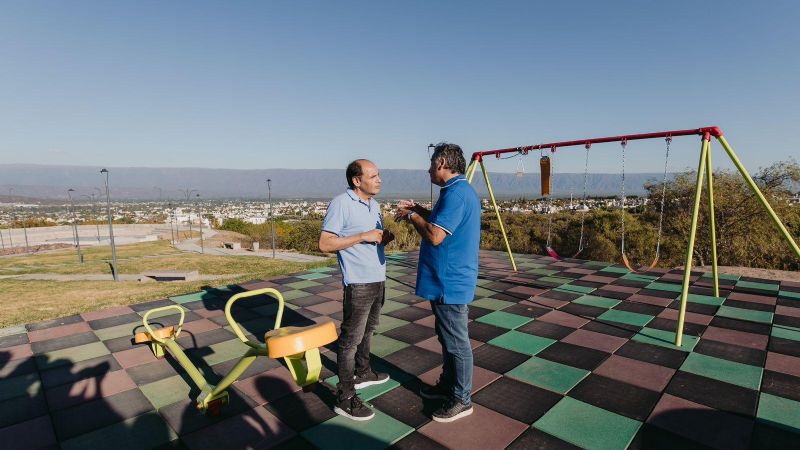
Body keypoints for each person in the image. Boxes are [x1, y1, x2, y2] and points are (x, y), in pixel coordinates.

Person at [395, 143, 481, 423]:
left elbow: (435, 236)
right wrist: (420, 209)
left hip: (450, 281)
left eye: (432, 162)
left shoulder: (456, 194)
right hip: (448, 279)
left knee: (457, 342)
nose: (429, 168)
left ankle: (462, 398)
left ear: (442, 161)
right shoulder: (457, 191)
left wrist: (411, 216)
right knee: (448, 337)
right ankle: (449, 386)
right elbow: (442, 223)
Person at [319, 159, 394, 421]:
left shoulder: (375, 205)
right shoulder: (341, 203)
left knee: (369, 330)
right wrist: (362, 236)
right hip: (359, 283)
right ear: (356, 180)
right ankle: (345, 397)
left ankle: (363, 372)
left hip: (378, 279)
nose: (379, 180)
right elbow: (325, 244)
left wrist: (383, 237)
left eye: (379, 175)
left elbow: (373, 236)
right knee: (349, 341)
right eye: (373, 176)